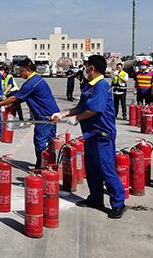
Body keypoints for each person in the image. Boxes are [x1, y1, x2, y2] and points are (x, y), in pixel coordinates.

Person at [52, 55, 126, 219]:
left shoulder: (100, 86)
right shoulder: (90, 86)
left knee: (106, 170)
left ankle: (119, 203)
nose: (84, 70)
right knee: (92, 170)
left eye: (85, 66)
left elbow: (95, 110)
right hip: (91, 134)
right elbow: (82, 107)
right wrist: (63, 114)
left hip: (102, 135)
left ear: (91, 67)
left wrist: (77, 119)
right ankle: (95, 199)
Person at [0, 58, 59, 169]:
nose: (19, 73)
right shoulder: (37, 79)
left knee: (40, 143)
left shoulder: (31, 82)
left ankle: (41, 168)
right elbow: (21, 98)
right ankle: (52, 166)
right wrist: (13, 104)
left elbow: (14, 98)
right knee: (51, 141)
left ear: (28, 70)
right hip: (52, 115)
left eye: (21, 71)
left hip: (43, 117)